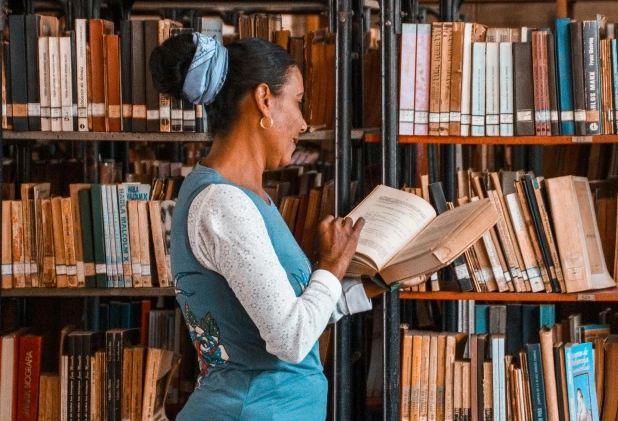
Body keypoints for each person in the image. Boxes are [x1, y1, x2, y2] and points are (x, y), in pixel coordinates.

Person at [150, 32, 418, 420]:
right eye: (298, 101)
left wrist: (380, 281)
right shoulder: (224, 204)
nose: (304, 122)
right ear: (264, 99)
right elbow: (291, 339)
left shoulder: (247, 197)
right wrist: (329, 265)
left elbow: (296, 314)